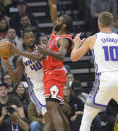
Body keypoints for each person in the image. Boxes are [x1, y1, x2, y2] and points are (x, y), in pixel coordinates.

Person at [71, 12, 118, 131]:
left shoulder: (93, 38)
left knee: (87, 117)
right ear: (112, 23)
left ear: (98, 23)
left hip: (105, 79)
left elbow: (74, 58)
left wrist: (76, 45)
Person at [1, 31, 52, 131]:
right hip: (38, 90)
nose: (30, 39)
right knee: (48, 119)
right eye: (27, 38)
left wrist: (19, 52)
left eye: (32, 37)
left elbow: (39, 57)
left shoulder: (41, 48)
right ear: (23, 40)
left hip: (50, 84)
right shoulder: (21, 59)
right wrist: (6, 63)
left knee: (57, 117)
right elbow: (16, 79)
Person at [35, 0, 73, 130]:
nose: (55, 21)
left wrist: (46, 51)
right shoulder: (55, 32)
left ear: (63, 25)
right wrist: (52, 4)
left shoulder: (65, 39)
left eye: (59, 21)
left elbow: (62, 55)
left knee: (52, 108)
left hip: (55, 74)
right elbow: (53, 15)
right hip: (51, 74)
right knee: (58, 110)